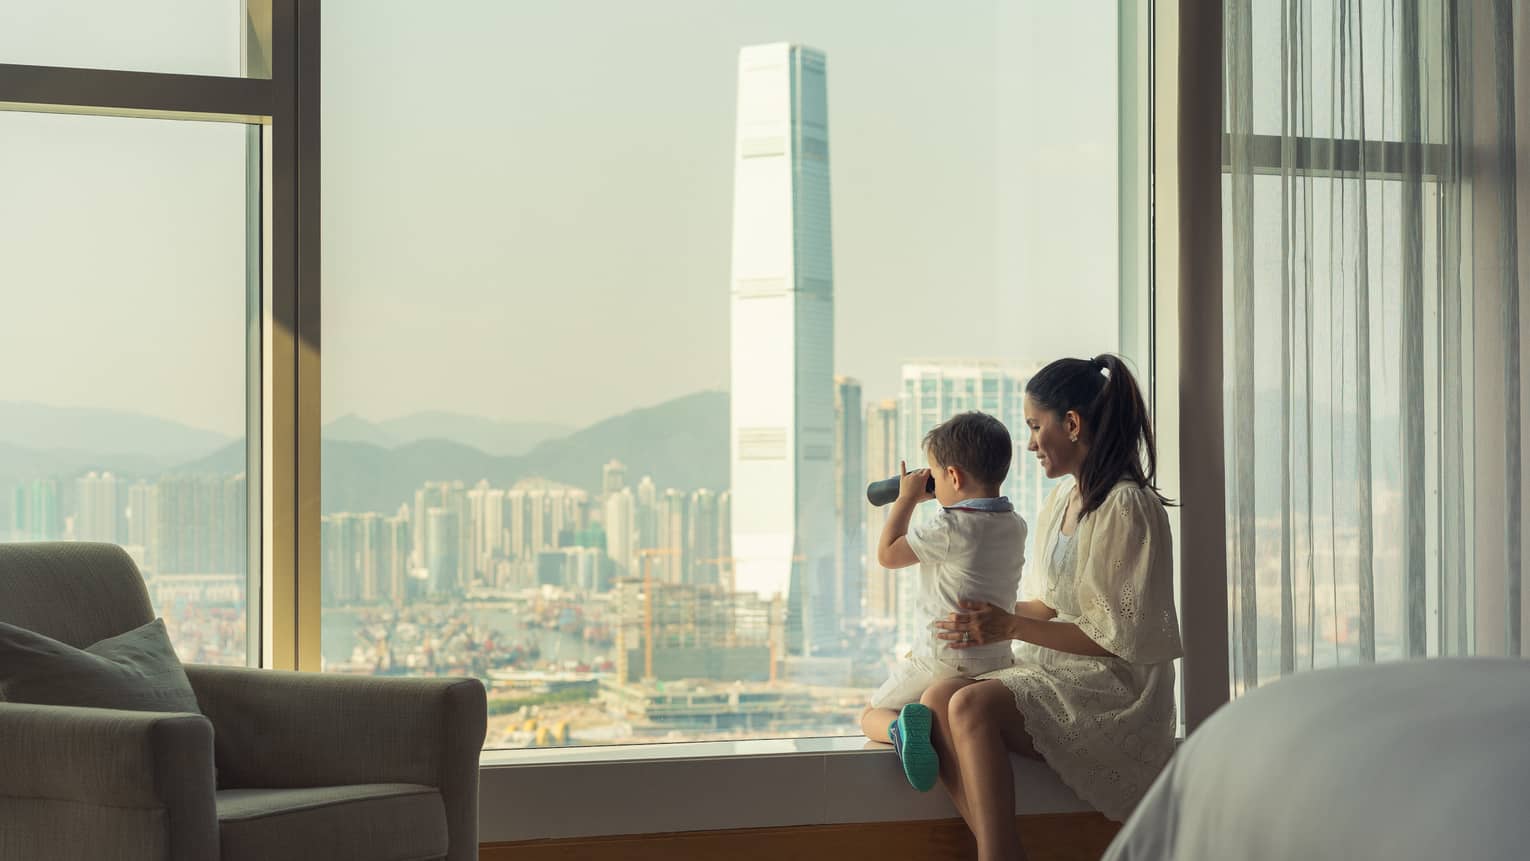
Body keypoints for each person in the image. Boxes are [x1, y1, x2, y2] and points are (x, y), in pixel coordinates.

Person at [926, 355, 1182, 861]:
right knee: (936, 699)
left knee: (969, 704)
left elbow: (1117, 637)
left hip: (1116, 689)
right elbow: (1050, 604)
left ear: (1071, 424)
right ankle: (1001, 849)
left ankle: (996, 855)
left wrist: (1010, 624)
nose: (1029, 444)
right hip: (1061, 671)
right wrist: (980, 618)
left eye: (1034, 427)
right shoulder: (1062, 500)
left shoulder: (1127, 506)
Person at [859, 411, 1029, 793]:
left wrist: (906, 500)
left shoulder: (950, 526)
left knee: (869, 713)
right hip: (994, 662)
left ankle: (900, 730)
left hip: (942, 659)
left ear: (953, 477)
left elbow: (888, 555)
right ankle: (923, 723)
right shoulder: (1015, 524)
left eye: (934, 474)